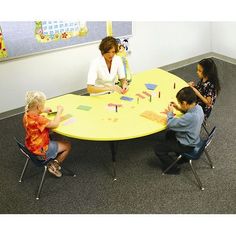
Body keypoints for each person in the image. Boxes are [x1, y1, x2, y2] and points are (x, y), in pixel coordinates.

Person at [154, 87, 204, 175]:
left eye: (180, 104)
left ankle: (174, 168)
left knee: (158, 149)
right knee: (169, 134)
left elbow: (170, 124)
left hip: (186, 144)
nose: (180, 105)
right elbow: (188, 113)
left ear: (184, 103)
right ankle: (183, 158)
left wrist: (170, 112)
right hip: (194, 138)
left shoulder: (190, 117)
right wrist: (179, 108)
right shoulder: (198, 108)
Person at [23, 91, 71, 178]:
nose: (44, 106)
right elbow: (55, 124)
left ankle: (55, 150)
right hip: (42, 149)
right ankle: (54, 165)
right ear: (38, 106)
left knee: (54, 134)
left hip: (30, 144)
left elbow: (34, 114)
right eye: (43, 105)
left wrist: (42, 110)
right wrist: (59, 111)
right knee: (67, 146)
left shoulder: (26, 113)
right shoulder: (39, 120)